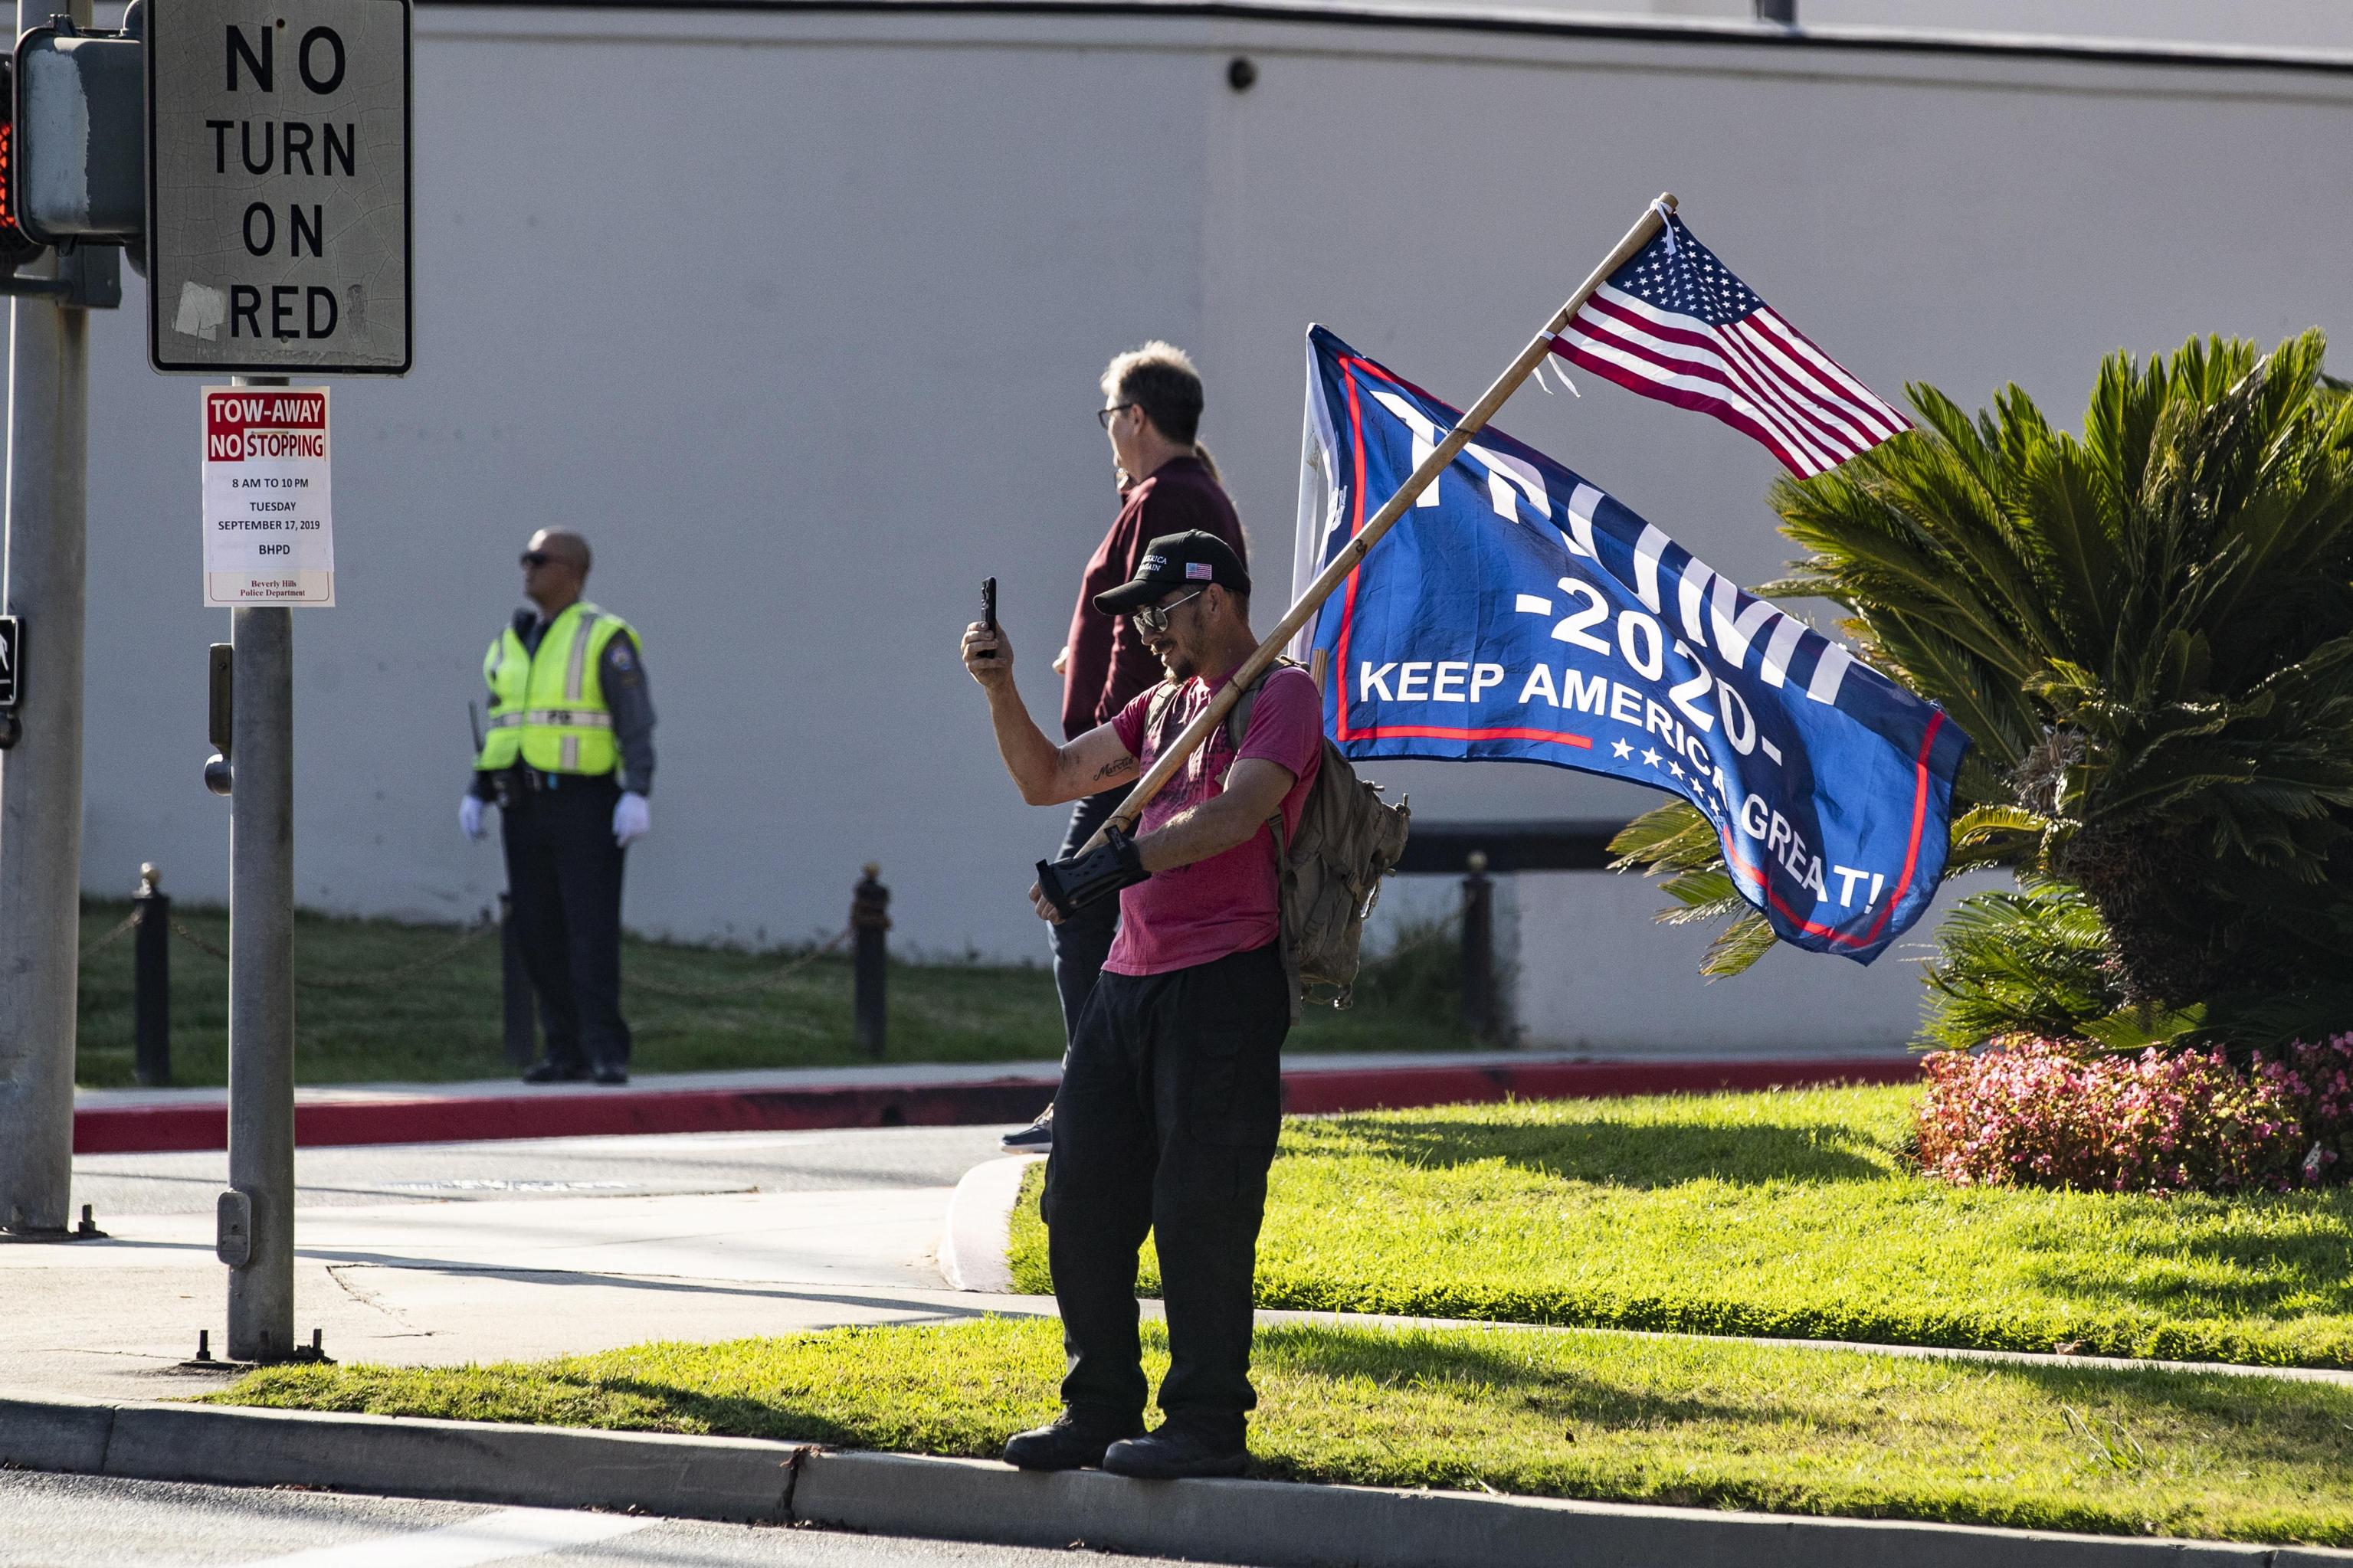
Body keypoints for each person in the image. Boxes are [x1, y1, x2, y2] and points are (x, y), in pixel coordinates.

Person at [962, 529, 1319, 1481]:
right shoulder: (1160, 709)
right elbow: (1047, 779)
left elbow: (1239, 813)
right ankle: (1097, 1407)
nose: (1148, 633)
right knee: (1078, 1199)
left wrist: (1114, 862)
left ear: (1211, 599)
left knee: (1199, 1205)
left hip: (1222, 983)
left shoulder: (1278, 695)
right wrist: (1000, 687)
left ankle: (1206, 1421)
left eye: (1157, 612)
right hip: (1127, 980)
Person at [1002, 342, 1250, 1154]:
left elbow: (1163, 627)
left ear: (1135, 416)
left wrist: (1118, 728)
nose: (1108, 430)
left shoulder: (1170, 497)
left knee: (1075, 908)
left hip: (1144, 754)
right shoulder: (1173, 493)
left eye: (1110, 415)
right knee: (1107, 915)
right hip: (1144, 748)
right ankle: (1111, 1084)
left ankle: (1094, 1092)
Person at [460, 529, 656, 1086]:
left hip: (584, 803)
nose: (526, 568)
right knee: (538, 932)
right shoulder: (511, 640)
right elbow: (503, 725)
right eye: (524, 557)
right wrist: (477, 790)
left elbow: (635, 720)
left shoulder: (604, 636)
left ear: (571, 569)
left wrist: (637, 789)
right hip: (521, 805)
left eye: (538, 559)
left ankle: (605, 1049)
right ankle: (562, 1047)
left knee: (589, 930)